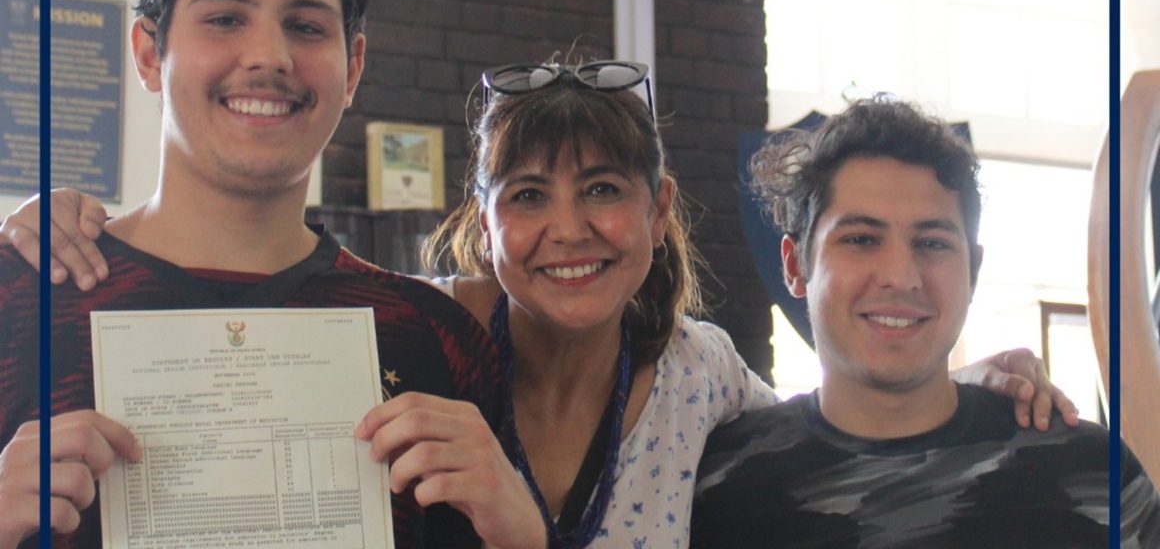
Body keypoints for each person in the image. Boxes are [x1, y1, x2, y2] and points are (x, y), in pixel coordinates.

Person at [4, 66, 1078, 547]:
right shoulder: (397, 341)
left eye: (603, 190)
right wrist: (53, 219)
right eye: (528, 195)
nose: (568, 229)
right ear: (485, 224)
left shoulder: (700, 374)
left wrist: (976, 377)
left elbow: (834, 410)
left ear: (657, 210)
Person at [0, 0, 544, 548]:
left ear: (352, 67)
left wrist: (524, 541)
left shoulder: (437, 341)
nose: (269, 55)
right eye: (225, 18)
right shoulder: (21, 299)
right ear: (147, 52)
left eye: (306, 26)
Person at [690, 98, 1160, 547]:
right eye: (860, 239)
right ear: (795, 266)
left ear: (973, 270)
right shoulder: (716, 492)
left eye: (932, 243)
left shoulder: (1095, 476)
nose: (900, 276)